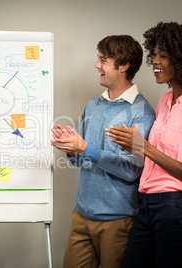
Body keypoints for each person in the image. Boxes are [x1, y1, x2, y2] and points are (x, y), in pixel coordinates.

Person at [106, 22, 182, 268]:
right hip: (147, 205)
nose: (155, 62)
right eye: (155, 55)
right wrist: (133, 146)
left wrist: (145, 147)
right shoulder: (164, 101)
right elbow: (155, 155)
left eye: (164, 56)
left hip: (177, 207)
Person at [51, 35, 155, 268]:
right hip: (81, 216)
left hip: (117, 222)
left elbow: (131, 169)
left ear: (124, 66)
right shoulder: (93, 104)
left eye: (103, 60)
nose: (97, 65)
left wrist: (85, 148)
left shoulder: (142, 112)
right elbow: (83, 160)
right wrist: (71, 148)